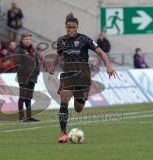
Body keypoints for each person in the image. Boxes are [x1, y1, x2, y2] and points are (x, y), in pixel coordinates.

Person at [49, 13, 117, 143]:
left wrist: (108, 66)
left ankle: (83, 96)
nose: (71, 30)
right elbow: (58, 56)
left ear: (77, 27)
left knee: (78, 109)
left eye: (73, 27)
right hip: (67, 74)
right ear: (65, 27)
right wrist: (53, 67)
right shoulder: (61, 41)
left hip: (82, 75)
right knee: (64, 99)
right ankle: (63, 133)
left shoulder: (85, 40)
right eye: (69, 27)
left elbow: (101, 52)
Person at [15, 33, 40, 122]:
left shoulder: (32, 50)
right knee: (22, 97)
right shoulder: (19, 50)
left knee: (28, 97)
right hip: (23, 77)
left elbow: (37, 62)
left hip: (32, 77)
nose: (28, 41)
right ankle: (21, 117)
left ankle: (29, 116)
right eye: (26, 39)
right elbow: (17, 64)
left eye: (29, 39)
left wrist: (37, 72)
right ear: (22, 40)